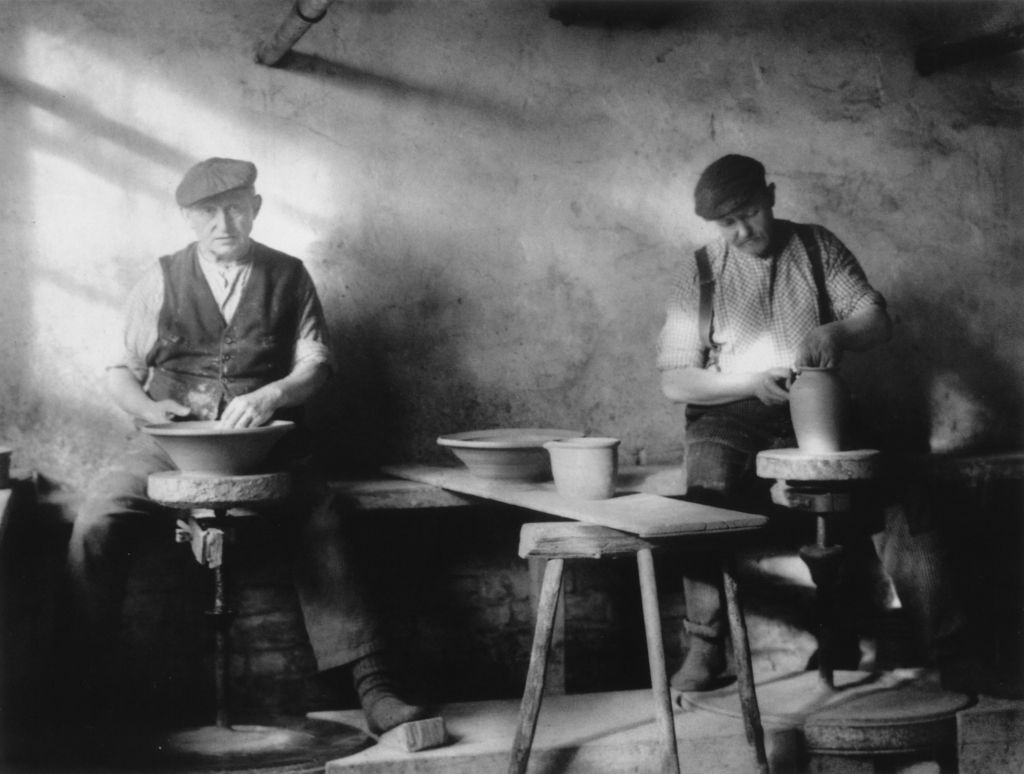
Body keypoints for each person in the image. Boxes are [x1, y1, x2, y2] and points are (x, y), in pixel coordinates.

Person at [66, 157, 434, 740]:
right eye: (208, 212)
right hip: (173, 445)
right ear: (188, 218)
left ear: (255, 208)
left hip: (268, 447)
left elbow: (316, 363)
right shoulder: (161, 277)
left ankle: (376, 689)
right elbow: (119, 371)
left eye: (235, 208)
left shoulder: (289, 275)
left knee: (322, 513)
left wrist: (274, 395)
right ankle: (81, 687)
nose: (223, 223)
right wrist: (149, 411)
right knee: (95, 520)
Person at [656, 154, 893, 692]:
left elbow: (877, 319)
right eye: (727, 223)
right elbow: (676, 381)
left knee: (860, 500)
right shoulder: (700, 270)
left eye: (751, 213)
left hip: (813, 408)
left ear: (772, 195)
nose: (742, 231)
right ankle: (706, 646)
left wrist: (838, 333)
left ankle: (842, 633)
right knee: (703, 501)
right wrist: (748, 382)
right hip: (730, 415)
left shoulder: (817, 246)